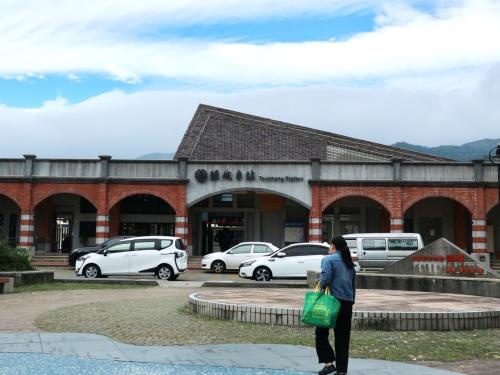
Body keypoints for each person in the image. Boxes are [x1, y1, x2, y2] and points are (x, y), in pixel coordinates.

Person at [315, 236, 356, 375]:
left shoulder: (328, 260)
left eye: (329, 245)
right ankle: (342, 371)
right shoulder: (349, 262)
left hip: (331, 302)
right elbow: (353, 285)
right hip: (347, 303)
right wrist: (351, 301)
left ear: (333, 246)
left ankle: (328, 363)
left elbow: (325, 280)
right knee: (343, 338)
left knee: (320, 333)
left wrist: (320, 292)